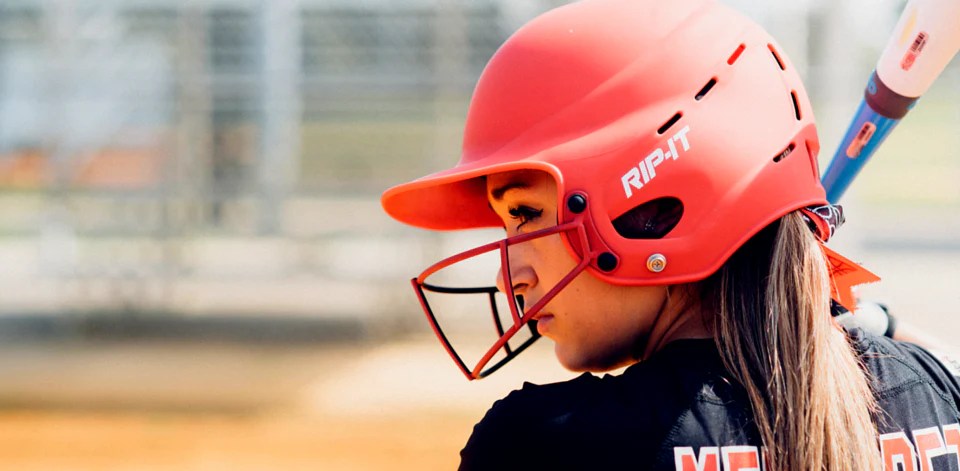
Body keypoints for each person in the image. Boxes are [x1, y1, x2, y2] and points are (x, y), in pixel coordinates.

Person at [381, 0, 960, 469]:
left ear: (652, 211)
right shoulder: (935, 400)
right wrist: (880, 327)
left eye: (528, 215)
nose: (512, 273)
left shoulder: (545, 445)